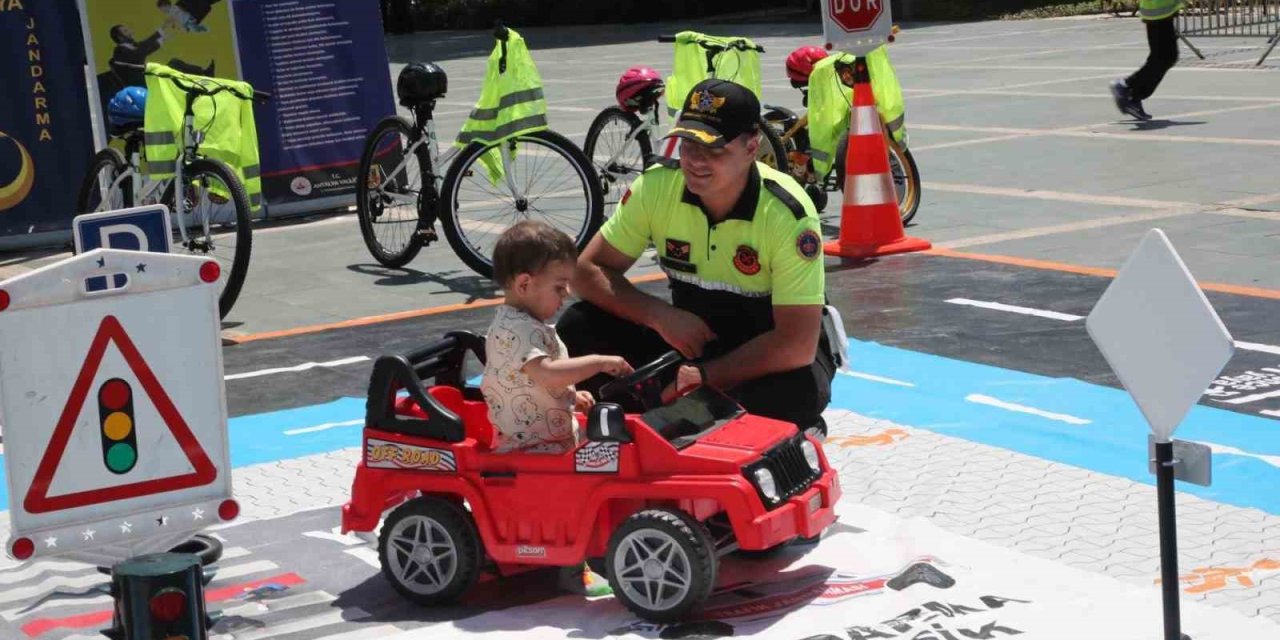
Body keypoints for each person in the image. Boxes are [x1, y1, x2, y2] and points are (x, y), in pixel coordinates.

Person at [559, 78, 837, 435]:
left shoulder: (788, 213)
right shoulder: (657, 187)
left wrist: (704, 376)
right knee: (578, 326)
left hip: (763, 345)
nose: (694, 160)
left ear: (752, 147)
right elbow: (587, 271)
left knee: (798, 389)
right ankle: (678, 412)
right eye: (688, 142)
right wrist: (659, 315)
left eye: (714, 148)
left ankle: (673, 411)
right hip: (690, 335)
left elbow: (795, 344)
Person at [480, 220, 633, 596]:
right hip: (530, 445)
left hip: (551, 433)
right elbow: (545, 373)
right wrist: (596, 362)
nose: (565, 296)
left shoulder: (530, 322)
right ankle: (571, 570)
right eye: (559, 288)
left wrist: (572, 393)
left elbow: (545, 379)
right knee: (572, 497)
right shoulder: (514, 330)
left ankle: (587, 555)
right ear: (524, 284)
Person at [1110, 0, 1184, 121]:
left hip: (1161, 10)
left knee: (1167, 57)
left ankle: (1133, 95)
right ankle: (1126, 87)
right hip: (1158, 9)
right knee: (1163, 57)